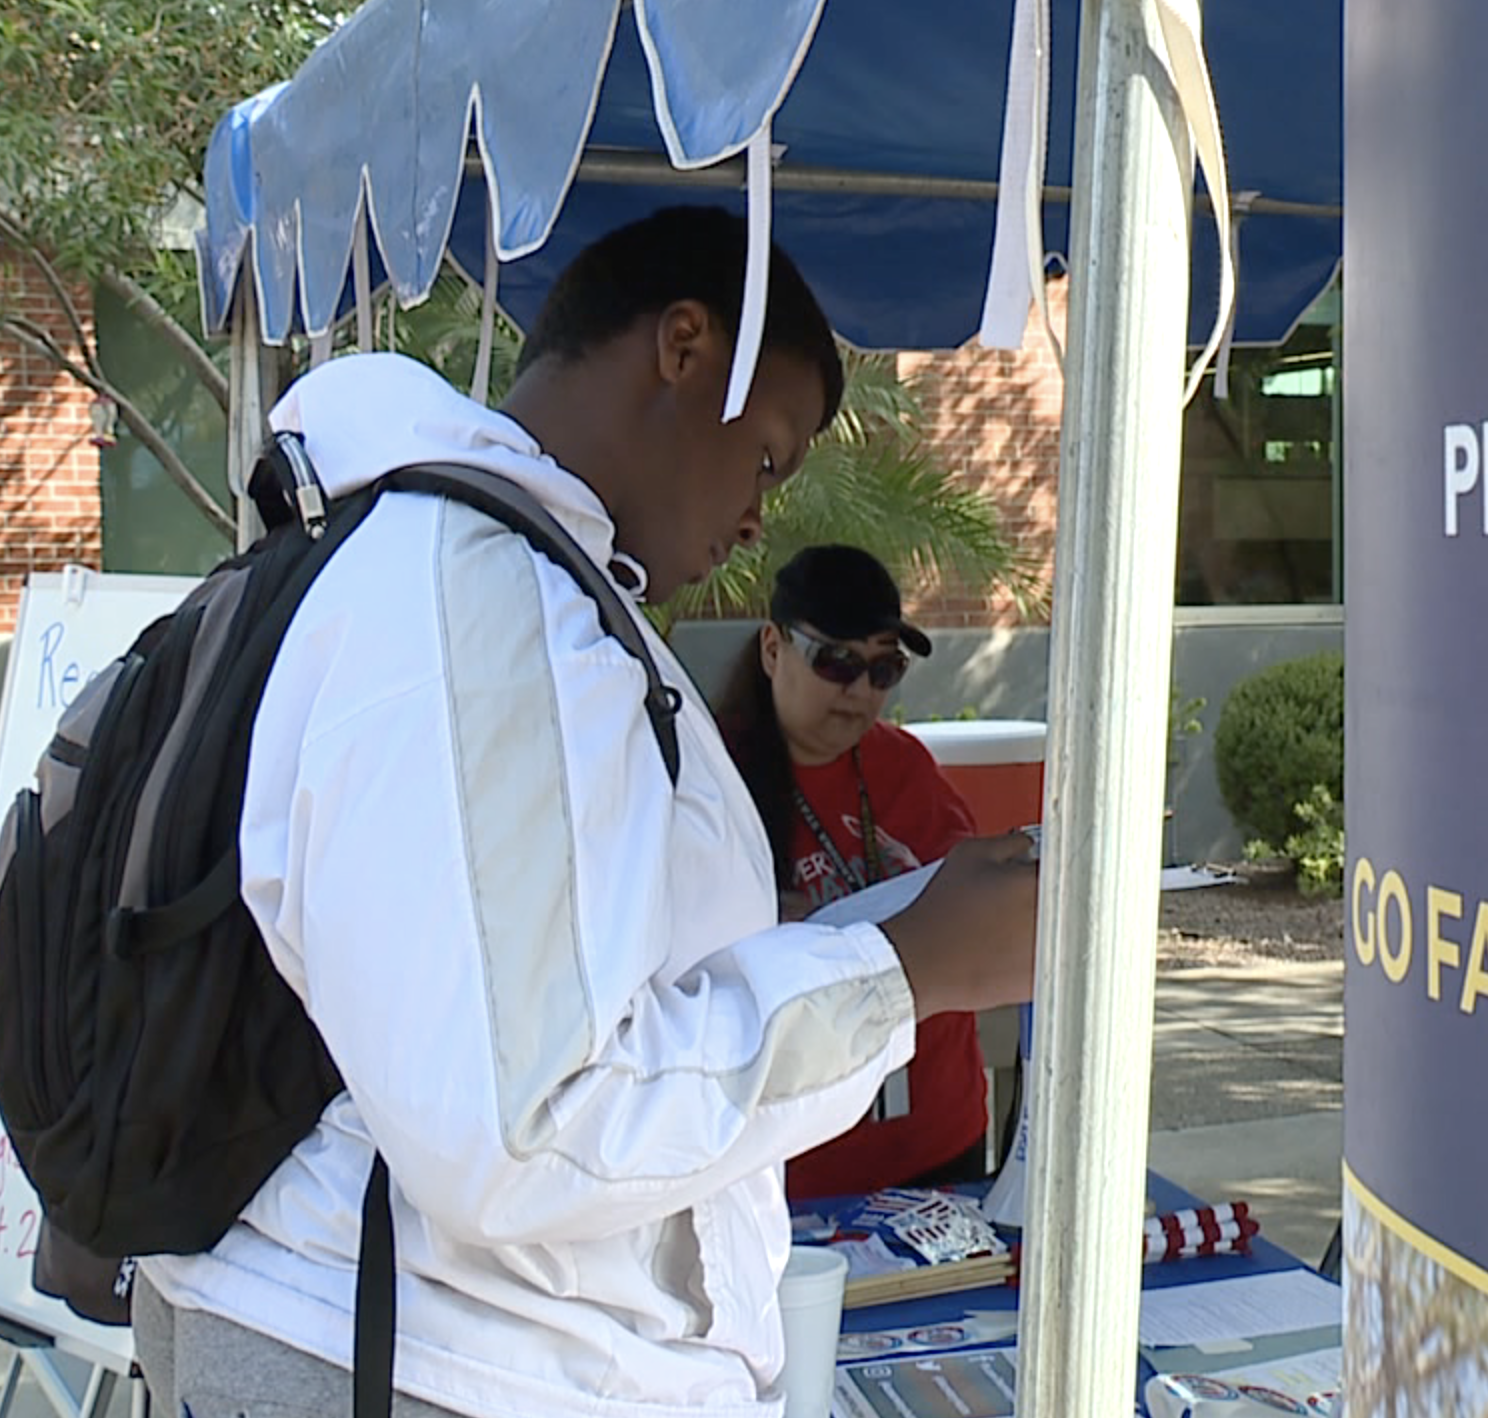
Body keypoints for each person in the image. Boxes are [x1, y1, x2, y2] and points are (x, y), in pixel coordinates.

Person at [128, 206, 1039, 1418]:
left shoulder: (501, 586)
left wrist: (904, 925)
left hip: (457, 1342)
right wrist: (904, 972)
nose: (762, 515)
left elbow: (596, 989)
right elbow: (529, 1123)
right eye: (766, 457)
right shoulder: (474, 601)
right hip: (433, 1358)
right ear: (683, 348)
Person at [714, 545, 990, 1199]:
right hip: (792, 1170)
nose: (861, 691)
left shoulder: (906, 768)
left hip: (938, 1143)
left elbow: (973, 906)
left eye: (884, 669)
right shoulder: (711, 777)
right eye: (837, 662)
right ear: (773, 649)